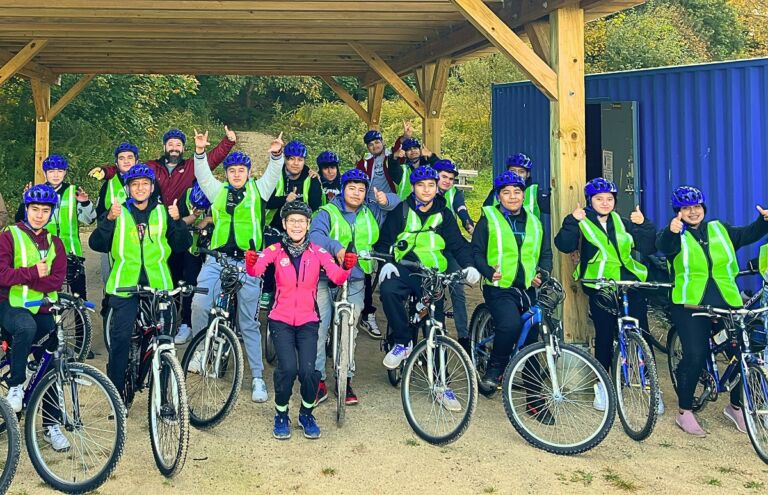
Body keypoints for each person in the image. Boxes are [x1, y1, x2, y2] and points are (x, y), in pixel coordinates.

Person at [657, 186, 768, 436]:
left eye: (697, 207)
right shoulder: (676, 234)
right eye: (686, 208)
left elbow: (749, 234)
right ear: (678, 212)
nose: (693, 212)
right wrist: (671, 231)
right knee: (696, 354)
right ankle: (685, 411)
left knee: (745, 351)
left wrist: (763, 221)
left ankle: (736, 406)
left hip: (727, 301)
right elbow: (663, 245)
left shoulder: (720, 229)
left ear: (703, 208)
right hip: (689, 303)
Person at [245, 201, 357, 440]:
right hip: (280, 319)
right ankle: (281, 414)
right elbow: (255, 272)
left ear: (308, 225)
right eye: (292, 221)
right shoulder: (275, 250)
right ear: (284, 224)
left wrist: (347, 266)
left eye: (301, 221)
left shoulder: (318, 252)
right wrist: (251, 261)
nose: (297, 225)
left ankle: (306, 413)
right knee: (287, 369)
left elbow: (336, 278)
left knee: (309, 371)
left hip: (308, 320)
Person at [90, 128, 237, 303]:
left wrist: (227, 142)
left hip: (179, 223)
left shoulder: (191, 166)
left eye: (178, 144)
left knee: (186, 274)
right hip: (154, 222)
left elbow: (211, 160)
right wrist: (106, 172)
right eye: (170, 144)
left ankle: (182, 320)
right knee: (160, 268)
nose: (174, 148)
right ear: (164, 146)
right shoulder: (152, 166)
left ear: (183, 148)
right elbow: (128, 168)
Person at [190, 130, 284, 403]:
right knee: (199, 303)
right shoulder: (218, 191)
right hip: (217, 259)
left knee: (249, 322)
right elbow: (203, 176)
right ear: (227, 173)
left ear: (247, 172)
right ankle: (199, 351)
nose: (236, 174)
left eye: (241, 170)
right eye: (232, 170)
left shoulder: (259, 190)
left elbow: (273, 175)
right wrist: (199, 152)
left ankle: (256, 377)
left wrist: (276, 155)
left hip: (248, 262)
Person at [88, 164, 191, 402]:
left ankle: (164, 399)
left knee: (165, 343)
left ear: (152, 187)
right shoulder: (118, 212)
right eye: (135, 184)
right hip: (125, 286)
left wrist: (178, 222)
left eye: (145, 184)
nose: (140, 188)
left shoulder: (163, 212)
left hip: (159, 287)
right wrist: (109, 220)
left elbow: (181, 245)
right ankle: (116, 396)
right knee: (121, 339)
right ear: (128, 189)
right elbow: (96, 244)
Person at [554, 178, 656, 412]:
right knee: (604, 335)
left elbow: (649, 247)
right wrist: (572, 221)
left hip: (629, 282)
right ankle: (603, 385)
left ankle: (649, 384)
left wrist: (643, 225)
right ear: (590, 201)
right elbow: (565, 245)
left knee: (642, 332)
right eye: (599, 199)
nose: (605, 203)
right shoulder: (582, 221)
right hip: (601, 286)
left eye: (609, 199)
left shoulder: (622, 222)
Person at [375, 166, 481, 382]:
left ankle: (441, 382)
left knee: (435, 325)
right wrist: (387, 262)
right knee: (388, 290)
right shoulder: (401, 211)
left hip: (432, 273)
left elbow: (457, 245)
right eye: (421, 185)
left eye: (430, 185)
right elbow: (385, 241)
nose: (426, 190)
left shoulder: (444, 214)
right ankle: (403, 343)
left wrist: (469, 265)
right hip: (404, 267)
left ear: (436, 188)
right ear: (413, 188)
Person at [309, 168, 399, 405]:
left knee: (349, 327)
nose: (357, 193)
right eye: (352, 188)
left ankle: (345, 378)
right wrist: (335, 246)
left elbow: (403, 205)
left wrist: (386, 199)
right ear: (343, 189)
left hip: (356, 278)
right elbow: (315, 236)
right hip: (324, 277)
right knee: (320, 328)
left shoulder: (372, 212)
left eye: (361, 189)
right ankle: (318, 379)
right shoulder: (326, 211)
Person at [471, 172, 553, 404]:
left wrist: (542, 274)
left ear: (523, 195)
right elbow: (476, 251)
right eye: (506, 193)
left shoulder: (535, 223)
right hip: (499, 287)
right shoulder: (489, 218)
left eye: (517, 192)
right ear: (499, 196)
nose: (512, 197)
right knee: (510, 325)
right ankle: (494, 368)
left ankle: (534, 399)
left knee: (533, 340)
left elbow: (545, 254)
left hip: (526, 287)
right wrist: (487, 271)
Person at [0, 184, 70, 451]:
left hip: (41, 308)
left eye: (45, 210)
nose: (39, 215)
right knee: (25, 327)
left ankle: (51, 425)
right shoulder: (9, 236)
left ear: (51, 213)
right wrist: (31, 272)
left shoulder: (55, 243)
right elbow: (1, 274)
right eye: (34, 209)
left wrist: (30, 279)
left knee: (50, 361)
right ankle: (16, 385)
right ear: (26, 209)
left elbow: (56, 279)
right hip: (9, 305)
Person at [16, 155, 96, 301]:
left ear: (65, 173)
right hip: (46, 252)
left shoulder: (73, 191)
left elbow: (89, 219)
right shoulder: (38, 192)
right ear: (45, 173)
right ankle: (52, 322)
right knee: (49, 294)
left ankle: (82, 323)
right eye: (51, 171)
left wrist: (85, 203)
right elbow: (22, 222)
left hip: (72, 251)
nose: (56, 175)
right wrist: (24, 202)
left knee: (79, 296)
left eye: (59, 171)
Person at [262, 140, 323, 307]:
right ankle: (267, 290)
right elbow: (264, 201)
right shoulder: (276, 175)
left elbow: (316, 204)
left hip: (300, 228)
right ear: (285, 160)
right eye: (291, 159)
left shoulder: (311, 178)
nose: (296, 163)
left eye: (300, 159)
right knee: (272, 251)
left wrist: (316, 183)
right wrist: (284, 200)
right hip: (274, 225)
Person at [433, 159, 474, 352]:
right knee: (434, 292)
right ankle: (436, 334)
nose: (448, 181)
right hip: (429, 250)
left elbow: (462, 209)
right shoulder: (423, 190)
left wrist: (468, 223)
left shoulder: (454, 194)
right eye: (444, 177)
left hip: (449, 248)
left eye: (451, 178)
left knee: (458, 287)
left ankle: (463, 335)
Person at [173, 181, 213, 344]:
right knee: (190, 283)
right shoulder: (187, 192)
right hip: (192, 247)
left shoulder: (218, 189)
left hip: (214, 246)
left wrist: (209, 219)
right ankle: (186, 324)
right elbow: (179, 222)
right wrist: (195, 216)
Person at [483, 153, 550, 219]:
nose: (516, 174)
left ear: (528, 174)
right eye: (513, 171)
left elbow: (554, 207)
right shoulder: (496, 191)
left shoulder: (535, 192)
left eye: (521, 171)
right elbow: (484, 218)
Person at [388, 133, 439, 200]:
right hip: (405, 208)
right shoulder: (402, 170)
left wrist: (430, 155)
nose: (413, 151)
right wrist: (394, 156)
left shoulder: (429, 168)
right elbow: (393, 167)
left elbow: (443, 170)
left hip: (426, 208)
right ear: (405, 154)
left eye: (415, 148)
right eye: (408, 149)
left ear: (420, 151)